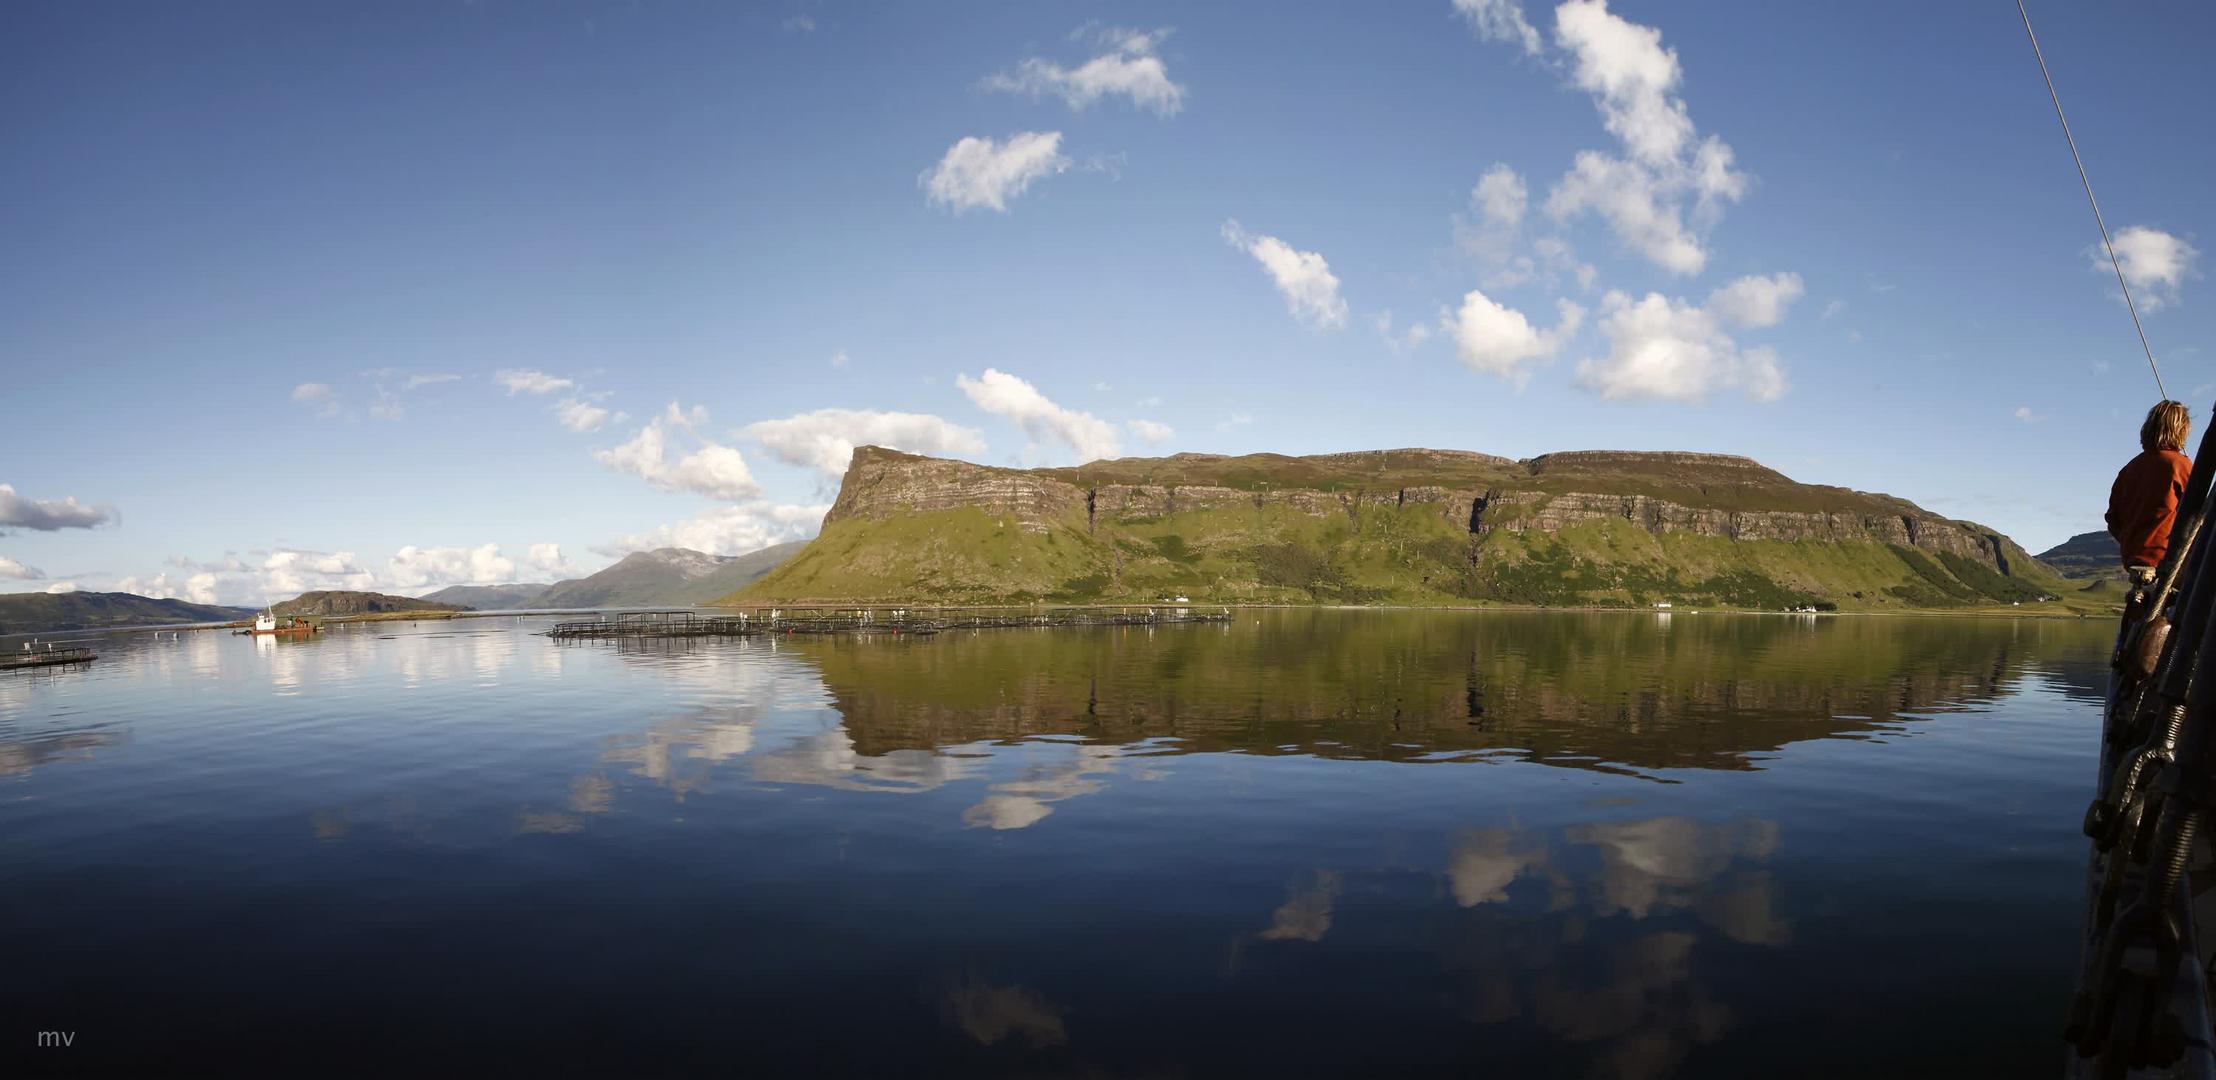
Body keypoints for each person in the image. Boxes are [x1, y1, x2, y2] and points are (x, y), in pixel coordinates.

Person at [2107, 400, 2194, 588]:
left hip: (2133, 560)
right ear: (2181, 430)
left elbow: (2113, 520)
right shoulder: (2180, 466)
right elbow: (2200, 514)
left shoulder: (2129, 469)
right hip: (2167, 562)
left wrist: (2135, 543)